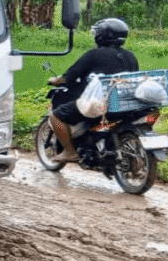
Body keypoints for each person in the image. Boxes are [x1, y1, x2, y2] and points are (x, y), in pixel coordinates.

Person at [47, 18, 139, 163]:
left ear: (102, 35)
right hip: (125, 103)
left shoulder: (94, 54)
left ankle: (70, 152)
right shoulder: (130, 56)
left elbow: (70, 76)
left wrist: (55, 80)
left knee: (55, 116)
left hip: (100, 104)